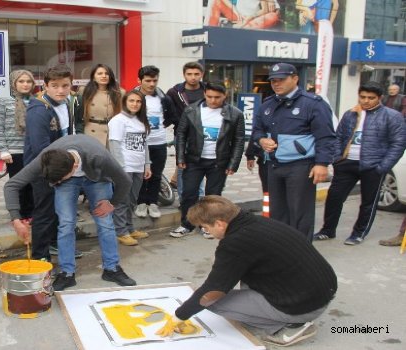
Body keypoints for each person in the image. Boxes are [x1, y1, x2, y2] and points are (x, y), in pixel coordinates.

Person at [158, 195, 336, 347]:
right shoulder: (255, 221)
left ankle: (294, 324)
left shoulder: (235, 244)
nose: (206, 232)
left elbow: (214, 289)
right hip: (321, 290)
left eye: (205, 227)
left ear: (220, 223)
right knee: (241, 277)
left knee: (210, 302)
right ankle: (277, 310)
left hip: (304, 305)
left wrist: (179, 316)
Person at [4, 134, 136, 291]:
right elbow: (11, 185)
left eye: (58, 180)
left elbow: (125, 181)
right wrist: (16, 219)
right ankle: (67, 273)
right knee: (66, 223)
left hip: (97, 178)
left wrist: (112, 203)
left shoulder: (98, 156)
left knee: (105, 221)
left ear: (74, 167)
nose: (56, 184)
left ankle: (112, 269)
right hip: (70, 179)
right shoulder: (47, 158)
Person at [314, 82, 405, 245]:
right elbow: (338, 137)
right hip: (346, 163)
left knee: (368, 202)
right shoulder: (350, 114)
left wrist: (383, 166)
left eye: (371, 98)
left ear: (380, 98)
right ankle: (328, 230)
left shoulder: (391, 116)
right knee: (334, 197)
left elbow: (398, 144)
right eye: (363, 97)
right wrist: (337, 159)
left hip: (373, 166)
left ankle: (358, 233)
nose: (366, 101)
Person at [251, 63, 335, 241]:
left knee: (300, 211)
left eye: (281, 79)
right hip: (273, 164)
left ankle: (302, 250)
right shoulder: (268, 104)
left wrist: (322, 164)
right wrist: (261, 140)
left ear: (295, 78)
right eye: (273, 80)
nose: (276, 83)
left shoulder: (312, 104)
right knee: (277, 210)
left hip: (301, 166)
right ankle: (283, 247)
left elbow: (326, 137)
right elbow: (257, 129)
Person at [23, 64, 82, 261]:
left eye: (65, 85)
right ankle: (41, 256)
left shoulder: (66, 103)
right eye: (55, 85)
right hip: (44, 168)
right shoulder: (39, 110)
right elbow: (41, 147)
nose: (60, 90)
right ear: (45, 86)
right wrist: (62, 168)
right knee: (44, 213)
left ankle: (57, 245)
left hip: (63, 167)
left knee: (61, 212)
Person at [171, 81, 245, 238]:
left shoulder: (235, 113)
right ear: (205, 94)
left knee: (213, 196)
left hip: (219, 161)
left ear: (225, 95)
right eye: (210, 96)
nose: (213, 100)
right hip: (193, 159)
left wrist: (233, 163)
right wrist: (180, 157)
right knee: (189, 193)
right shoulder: (191, 110)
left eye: (217, 97)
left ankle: (208, 225)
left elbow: (239, 140)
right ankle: (187, 224)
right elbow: (181, 134)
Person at [108, 90, 152, 246]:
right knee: (122, 200)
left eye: (138, 101)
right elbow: (114, 144)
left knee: (132, 200)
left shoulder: (140, 121)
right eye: (131, 101)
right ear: (125, 102)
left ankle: (129, 228)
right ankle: (121, 232)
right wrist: (120, 169)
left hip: (138, 167)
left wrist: (147, 164)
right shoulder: (118, 120)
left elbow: (144, 145)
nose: (135, 104)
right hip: (124, 167)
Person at [133, 65, 177, 219]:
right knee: (140, 174)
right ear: (139, 80)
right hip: (138, 143)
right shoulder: (133, 97)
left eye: (155, 80)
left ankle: (152, 203)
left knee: (156, 174)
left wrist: (161, 127)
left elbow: (172, 116)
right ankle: (140, 202)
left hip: (159, 142)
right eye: (148, 80)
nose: (152, 84)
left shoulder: (163, 98)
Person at [0, 69, 36, 220]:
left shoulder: (35, 100)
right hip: (13, 151)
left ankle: (31, 213)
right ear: (13, 83)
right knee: (19, 184)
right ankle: (20, 215)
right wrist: (3, 150)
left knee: (33, 183)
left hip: (32, 150)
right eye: (21, 81)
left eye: (28, 81)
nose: (25, 84)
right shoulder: (3, 101)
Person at [166, 62, 206, 194]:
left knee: (200, 165)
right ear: (184, 75)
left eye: (196, 74)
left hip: (204, 135)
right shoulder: (174, 92)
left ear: (202, 74)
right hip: (182, 135)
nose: (193, 77)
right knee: (182, 166)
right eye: (189, 74)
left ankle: (199, 198)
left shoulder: (208, 90)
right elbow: (168, 113)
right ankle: (183, 199)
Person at [79, 63, 123, 146]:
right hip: (91, 131)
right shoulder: (84, 91)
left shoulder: (119, 93)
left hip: (111, 132)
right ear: (94, 77)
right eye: (100, 74)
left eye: (107, 74)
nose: (104, 76)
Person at [207, 0, 280, 29]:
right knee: (216, 1)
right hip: (238, 17)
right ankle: (211, 31)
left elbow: (265, 10)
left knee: (272, 16)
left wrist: (250, 17)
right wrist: (234, 10)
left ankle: (241, 28)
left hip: (253, 20)